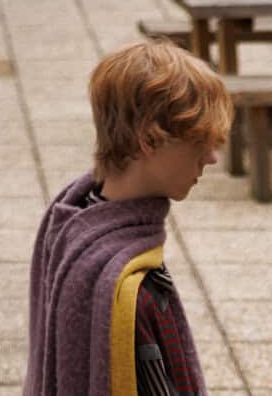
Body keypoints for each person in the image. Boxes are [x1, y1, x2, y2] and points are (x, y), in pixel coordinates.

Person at [23, 37, 232, 396]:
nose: (212, 157)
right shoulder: (132, 290)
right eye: (200, 140)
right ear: (149, 140)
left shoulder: (71, 218)